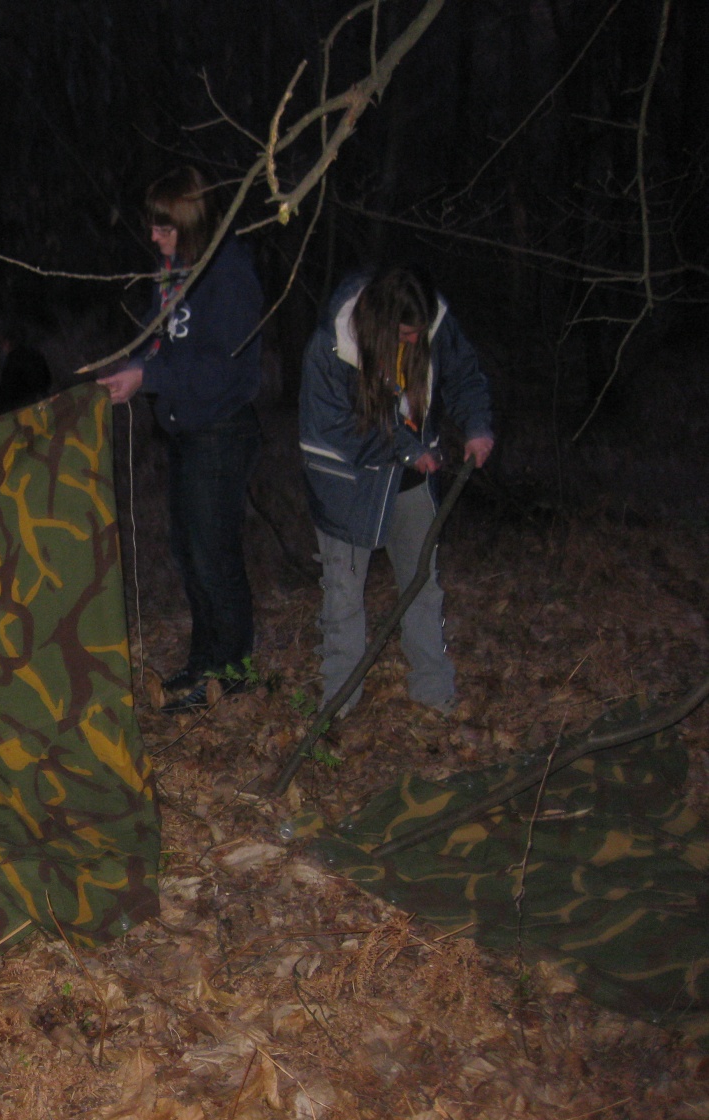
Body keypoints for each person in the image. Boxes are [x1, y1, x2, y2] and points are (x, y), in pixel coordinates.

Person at [97, 167, 264, 711]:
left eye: (164, 228)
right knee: (189, 554)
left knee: (214, 556)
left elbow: (222, 367)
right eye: (152, 226)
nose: (153, 237)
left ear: (191, 225)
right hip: (183, 428)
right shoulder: (174, 273)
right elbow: (157, 335)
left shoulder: (228, 273)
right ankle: (203, 662)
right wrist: (128, 366)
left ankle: (231, 673)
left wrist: (148, 376)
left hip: (220, 428)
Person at [299, 263, 494, 717]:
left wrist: (477, 426)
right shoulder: (331, 346)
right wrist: (407, 450)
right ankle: (339, 702)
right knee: (344, 597)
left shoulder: (433, 323)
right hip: (348, 485)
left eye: (418, 334)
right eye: (405, 335)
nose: (413, 342)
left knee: (423, 585)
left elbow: (464, 374)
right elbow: (335, 427)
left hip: (412, 483)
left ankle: (433, 688)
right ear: (381, 324)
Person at [0, 332, 52, 413]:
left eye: (1, 343)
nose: (1, 348)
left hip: (27, 408)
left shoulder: (11, 362)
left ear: (7, 343)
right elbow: (47, 377)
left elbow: (8, 392)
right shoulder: (34, 353)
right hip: (44, 402)